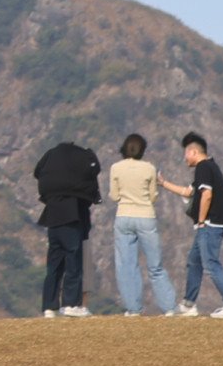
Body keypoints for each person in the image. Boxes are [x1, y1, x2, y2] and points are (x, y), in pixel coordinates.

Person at [106, 135, 175, 316]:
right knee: (155, 265)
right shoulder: (149, 168)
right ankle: (169, 307)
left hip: (124, 215)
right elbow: (153, 196)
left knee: (126, 265)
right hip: (146, 216)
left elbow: (114, 195)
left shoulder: (116, 168)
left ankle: (134, 308)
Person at [32, 141, 101, 316]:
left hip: (52, 219)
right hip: (71, 218)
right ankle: (71, 304)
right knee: (73, 261)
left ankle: (49, 306)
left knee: (54, 265)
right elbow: (93, 170)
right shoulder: (79, 166)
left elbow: (37, 172)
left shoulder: (50, 161)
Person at [175, 135, 223, 316]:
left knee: (211, 263)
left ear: (194, 152)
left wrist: (202, 221)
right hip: (210, 223)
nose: (185, 158)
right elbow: (188, 192)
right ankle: (188, 305)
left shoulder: (203, 167)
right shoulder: (210, 166)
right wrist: (163, 183)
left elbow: (207, 195)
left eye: (186, 154)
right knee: (194, 261)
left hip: (210, 223)